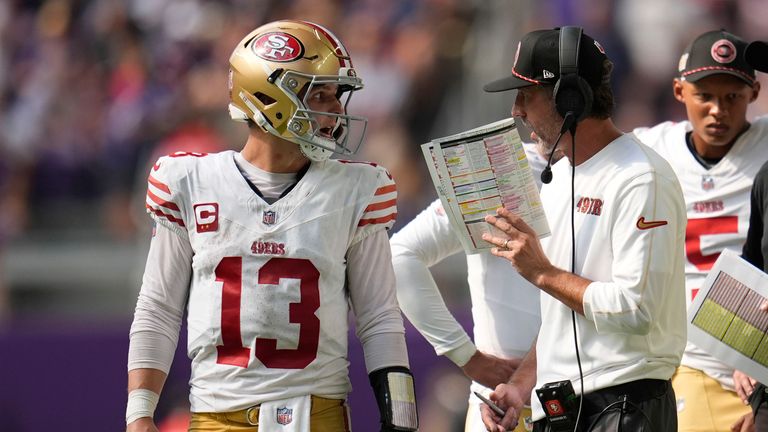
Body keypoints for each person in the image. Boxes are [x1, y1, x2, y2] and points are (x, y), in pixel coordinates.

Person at [125, 20, 418, 432]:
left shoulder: (359, 188)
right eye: (320, 94)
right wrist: (139, 413)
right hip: (216, 417)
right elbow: (158, 307)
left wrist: (400, 419)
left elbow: (379, 316)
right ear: (268, 97)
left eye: (336, 95)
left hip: (318, 416)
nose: (335, 109)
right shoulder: (189, 181)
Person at [478, 26, 687, 431]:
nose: (516, 110)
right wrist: (520, 385)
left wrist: (541, 271)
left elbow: (635, 309)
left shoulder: (640, 177)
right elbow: (566, 312)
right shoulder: (563, 176)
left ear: (569, 97)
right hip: (562, 408)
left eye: (526, 95)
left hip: (626, 407)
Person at [632, 30, 768, 432]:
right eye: (704, 95)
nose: (717, 110)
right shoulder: (648, 150)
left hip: (762, 357)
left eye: (732, 97)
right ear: (678, 91)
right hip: (695, 360)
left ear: (754, 93)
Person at [391, 140, 550, 431]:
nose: (518, 110)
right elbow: (400, 256)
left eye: (528, 95)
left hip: (593, 395)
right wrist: (466, 356)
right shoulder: (496, 171)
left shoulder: (621, 164)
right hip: (503, 407)